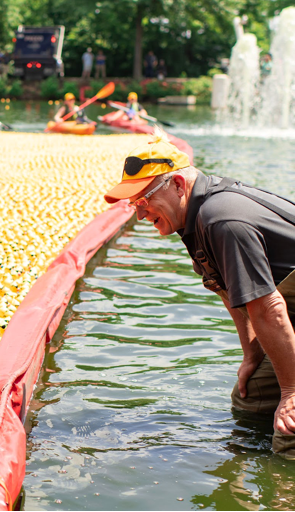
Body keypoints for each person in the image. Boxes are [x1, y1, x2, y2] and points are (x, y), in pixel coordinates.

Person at [103, 128, 295, 458]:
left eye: (144, 200)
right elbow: (230, 291)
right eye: (134, 204)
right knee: (252, 399)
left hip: (279, 310)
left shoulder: (220, 218)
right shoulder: (192, 218)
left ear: (178, 185)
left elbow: (268, 309)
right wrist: (251, 356)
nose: (140, 214)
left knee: (289, 433)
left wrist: (291, 393)